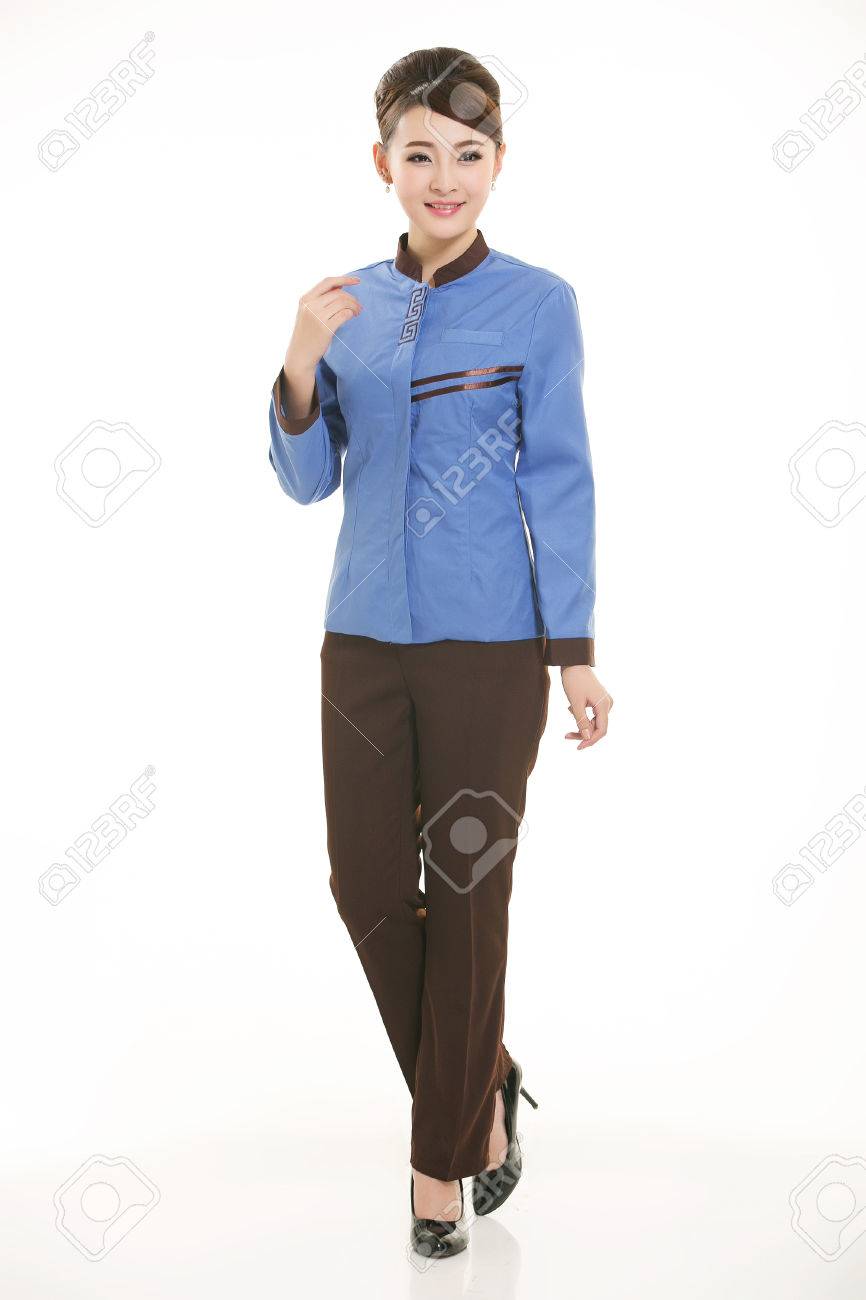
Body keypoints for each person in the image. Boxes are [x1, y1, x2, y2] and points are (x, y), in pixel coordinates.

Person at [268, 46, 614, 1260]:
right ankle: (482, 1075)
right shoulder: (344, 307)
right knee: (366, 889)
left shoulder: (537, 304)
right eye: (420, 154)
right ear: (383, 164)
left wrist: (573, 650)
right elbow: (306, 481)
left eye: (467, 154)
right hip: (361, 642)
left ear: (497, 162)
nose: (444, 177)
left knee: (465, 898)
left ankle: (438, 1168)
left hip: (489, 647)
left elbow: (558, 480)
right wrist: (299, 360)